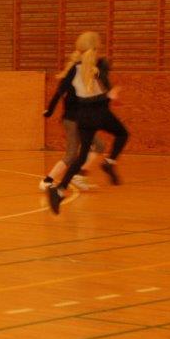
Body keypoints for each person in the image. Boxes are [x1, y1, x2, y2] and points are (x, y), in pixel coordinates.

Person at [48, 31, 129, 214]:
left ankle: (59, 190)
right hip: (99, 112)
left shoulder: (74, 68)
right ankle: (109, 162)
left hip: (82, 116)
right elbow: (103, 94)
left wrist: (50, 109)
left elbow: (62, 90)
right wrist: (110, 95)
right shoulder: (99, 66)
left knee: (82, 156)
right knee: (122, 134)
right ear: (96, 46)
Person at [40, 66, 106, 191]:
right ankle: (47, 181)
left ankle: (79, 175)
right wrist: (49, 111)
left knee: (99, 146)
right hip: (72, 121)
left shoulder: (83, 81)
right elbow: (58, 95)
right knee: (71, 155)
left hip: (82, 121)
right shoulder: (73, 82)